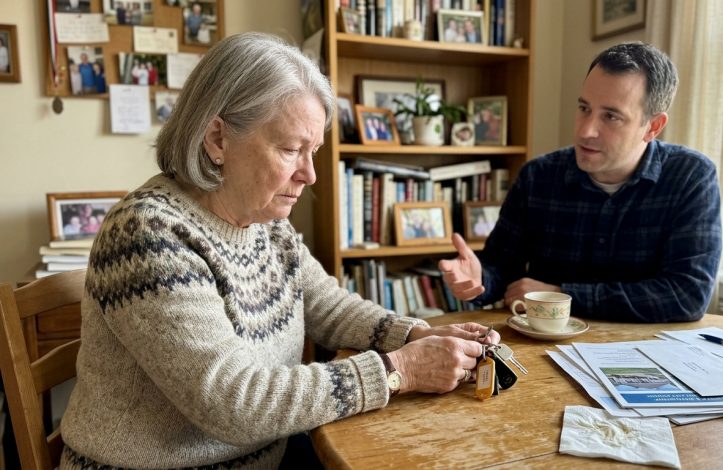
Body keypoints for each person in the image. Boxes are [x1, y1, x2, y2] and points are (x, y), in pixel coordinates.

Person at [59, 32, 498, 469]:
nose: (310, 175)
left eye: (314, 152)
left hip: (269, 455)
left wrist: (416, 334)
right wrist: (400, 369)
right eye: (291, 150)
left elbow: (329, 307)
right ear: (217, 140)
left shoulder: (267, 222)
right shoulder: (147, 234)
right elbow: (232, 402)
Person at [439, 42, 722, 323]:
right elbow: (501, 270)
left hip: (646, 354)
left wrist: (561, 296)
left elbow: (688, 295)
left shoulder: (690, 177)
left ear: (653, 127)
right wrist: (478, 277)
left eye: (611, 116)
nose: (586, 131)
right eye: (584, 108)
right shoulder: (538, 176)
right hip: (545, 351)